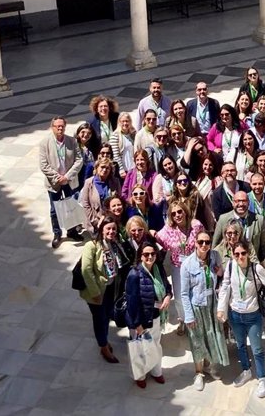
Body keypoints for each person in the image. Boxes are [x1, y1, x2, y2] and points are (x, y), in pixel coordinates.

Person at [217, 239, 265, 398]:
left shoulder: (257, 269)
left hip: (252, 315)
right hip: (235, 315)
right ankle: (246, 371)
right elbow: (225, 287)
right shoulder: (230, 266)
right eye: (236, 254)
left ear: (248, 253)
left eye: (243, 253)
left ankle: (262, 378)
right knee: (240, 345)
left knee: (257, 349)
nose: (240, 257)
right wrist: (221, 309)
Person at [181, 230, 228, 391]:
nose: (204, 245)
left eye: (207, 242)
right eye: (200, 242)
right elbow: (184, 293)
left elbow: (221, 275)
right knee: (197, 340)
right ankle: (198, 372)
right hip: (197, 306)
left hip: (212, 303)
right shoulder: (187, 264)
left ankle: (209, 365)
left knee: (212, 336)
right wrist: (188, 316)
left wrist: (219, 272)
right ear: (195, 242)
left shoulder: (215, 256)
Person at [79, 215, 128, 364]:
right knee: (99, 318)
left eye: (114, 229)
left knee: (106, 315)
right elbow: (86, 270)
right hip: (97, 290)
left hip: (110, 287)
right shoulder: (92, 246)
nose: (111, 231)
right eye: (108, 228)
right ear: (102, 229)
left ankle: (104, 340)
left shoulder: (114, 244)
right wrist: (95, 293)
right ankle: (103, 346)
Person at [125, 239, 172, 388]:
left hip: (156, 316)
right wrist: (137, 325)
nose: (150, 257)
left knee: (155, 345)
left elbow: (167, 286)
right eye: (146, 255)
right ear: (140, 256)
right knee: (140, 349)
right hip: (141, 319)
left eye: (153, 254)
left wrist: (167, 297)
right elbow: (132, 303)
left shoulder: (158, 268)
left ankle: (156, 371)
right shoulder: (134, 274)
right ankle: (140, 375)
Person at [156, 198, 204, 334]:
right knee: (179, 297)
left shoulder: (196, 225)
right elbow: (158, 238)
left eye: (179, 212)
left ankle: (196, 320)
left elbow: (204, 240)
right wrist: (152, 232)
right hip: (178, 267)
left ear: (185, 212)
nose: (177, 215)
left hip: (196, 265)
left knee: (195, 294)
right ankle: (183, 320)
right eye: (173, 213)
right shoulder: (168, 229)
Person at [39, 116, 84, 249]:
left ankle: (71, 231)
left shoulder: (72, 141)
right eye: (57, 126)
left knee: (71, 206)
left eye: (62, 126)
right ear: (52, 127)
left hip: (69, 181)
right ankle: (57, 233)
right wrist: (57, 177)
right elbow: (43, 165)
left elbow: (79, 160)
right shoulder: (45, 143)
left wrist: (68, 176)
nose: (60, 128)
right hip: (54, 183)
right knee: (54, 209)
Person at [212, 191, 265, 270]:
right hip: (228, 268)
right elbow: (215, 244)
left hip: (252, 269)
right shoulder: (223, 219)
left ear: (248, 202)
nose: (241, 204)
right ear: (233, 203)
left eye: (244, 201)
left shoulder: (259, 220)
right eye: (237, 201)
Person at [80, 159, 122, 235]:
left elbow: (119, 200)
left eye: (107, 168)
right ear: (96, 168)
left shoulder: (115, 182)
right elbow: (86, 204)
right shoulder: (89, 182)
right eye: (102, 167)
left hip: (111, 222)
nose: (104, 170)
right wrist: (95, 221)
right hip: (94, 222)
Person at [110, 112, 136, 180]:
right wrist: (121, 169)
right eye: (123, 121)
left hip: (133, 168)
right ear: (119, 122)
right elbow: (116, 155)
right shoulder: (115, 135)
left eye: (127, 121)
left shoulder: (132, 134)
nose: (125, 123)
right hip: (123, 171)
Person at [75, 122, 97, 186]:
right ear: (78, 132)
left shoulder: (91, 147)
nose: (86, 135)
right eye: (83, 132)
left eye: (89, 133)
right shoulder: (73, 145)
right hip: (76, 179)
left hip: (87, 178)